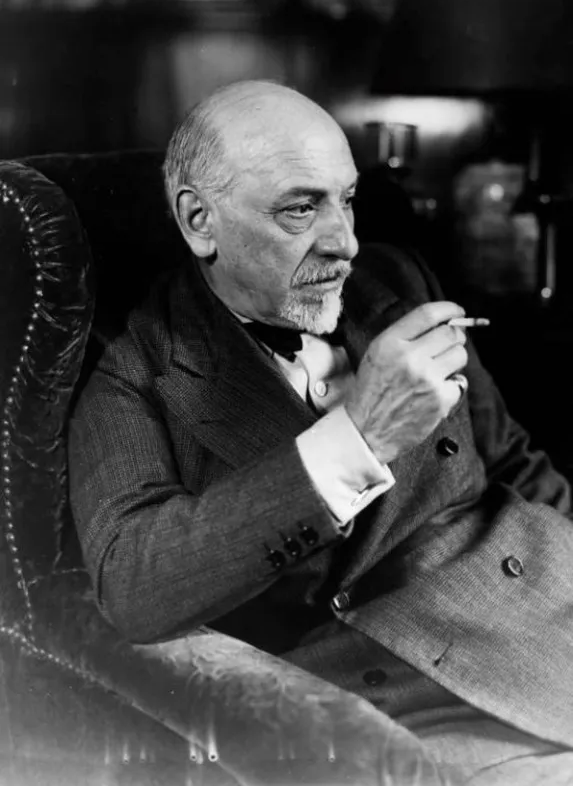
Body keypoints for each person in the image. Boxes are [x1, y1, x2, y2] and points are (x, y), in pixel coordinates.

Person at [68, 80, 573, 783]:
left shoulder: (396, 278)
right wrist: (360, 437)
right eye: (300, 209)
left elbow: (513, 461)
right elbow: (134, 586)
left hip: (542, 620)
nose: (345, 243)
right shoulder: (134, 376)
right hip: (421, 703)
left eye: (347, 199)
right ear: (199, 221)